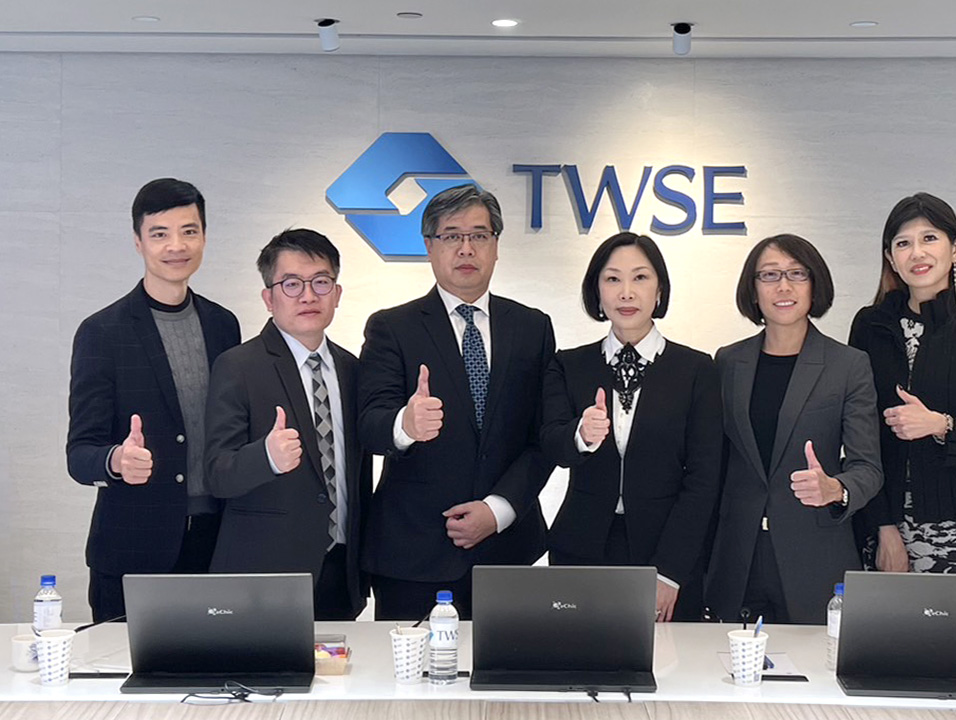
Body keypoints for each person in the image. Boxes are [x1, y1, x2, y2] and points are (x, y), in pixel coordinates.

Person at [357, 185, 556, 620]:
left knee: (509, 667)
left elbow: (545, 436)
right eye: (451, 236)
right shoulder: (392, 327)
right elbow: (369, 425)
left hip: (508, 553)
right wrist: (405, 425)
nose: (466, 248)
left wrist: (498, 510)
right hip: (413, 555)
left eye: (479, 235)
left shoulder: (532, 327)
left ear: (496, 246)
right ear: (429, 246)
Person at [66, 178, 241, 622]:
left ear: (204, 237)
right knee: (125, 668)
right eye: (160, 233)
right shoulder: (102, 332)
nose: (176, 246)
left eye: (189, 231)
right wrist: (116, 460)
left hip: (216, 545)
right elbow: (79, 453)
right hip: (133, 551)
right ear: (138, 241)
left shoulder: (224, 325)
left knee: (213, 665)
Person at [541, 232, 722, 622]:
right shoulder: (569, 364)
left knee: (669, 657)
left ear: (659, 290)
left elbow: (705, 478)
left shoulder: (696, 369)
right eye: (613, 279)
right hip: (580, 550)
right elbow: (551, 442)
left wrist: (670, 572)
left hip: (667, 551)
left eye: (640, 277)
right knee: (576, 654)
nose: (626, 292)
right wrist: (580, 435)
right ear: (597, 292)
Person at [705, 234, 882, 624]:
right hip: (738, 557)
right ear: (753, 290)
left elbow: (868, 467)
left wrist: (835, 489)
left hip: (814, 556)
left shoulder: (848, 365)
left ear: (814, 285)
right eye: (769, 275)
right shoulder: (727, 362)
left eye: (797, 274)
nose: (783, 286)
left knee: (816, 662)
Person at [203, 229, 372, 620]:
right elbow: (216, 474)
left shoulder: (353, 369)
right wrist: (265, 457)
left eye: (321, 282)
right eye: (292, 284)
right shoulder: (238, 366)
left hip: (340, 573)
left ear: (337, 293)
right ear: (269, 298)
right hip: (264, 575)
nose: (308, 296)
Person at [848, 193, 956, 575]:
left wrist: (942, 425)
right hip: (885, 526)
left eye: (929, 238)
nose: (917, 253)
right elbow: (863, 440)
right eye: (903, 243)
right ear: (890, 257)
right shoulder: (870, 326)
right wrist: (883, 526)